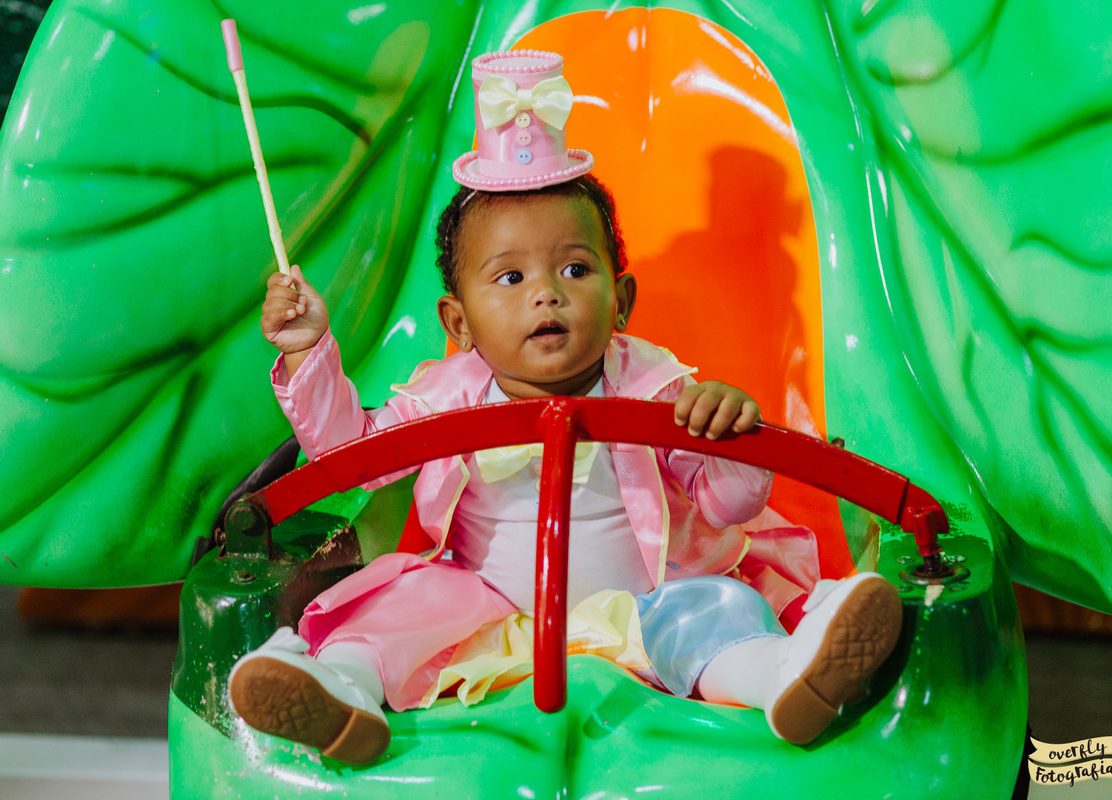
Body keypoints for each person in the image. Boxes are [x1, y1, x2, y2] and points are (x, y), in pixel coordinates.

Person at [228, 49, 901, 766]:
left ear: (623, 302)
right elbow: (352, 459)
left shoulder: (651, 383)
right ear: (459, 323)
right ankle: (340, 691)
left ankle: (786, 676)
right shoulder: (448, 394)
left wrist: (726, 430)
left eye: (575, 269)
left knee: (718, 612)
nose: (546, 294)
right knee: (392, 611)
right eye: (510, 277)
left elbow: (728, 504)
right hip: (485, 605)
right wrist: (307, 350)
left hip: (642, 604)